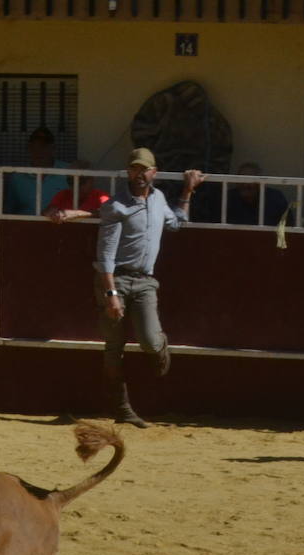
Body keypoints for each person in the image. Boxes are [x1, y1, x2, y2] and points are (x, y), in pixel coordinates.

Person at [95, 147, 206, 428]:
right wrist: (111, 295)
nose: (139, 174)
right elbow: (106, 255)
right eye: (134, 169)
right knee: (113, 347)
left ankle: (160, 348)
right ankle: (122, 409)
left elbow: (177, 223)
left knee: (150, 340)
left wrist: (188, 191)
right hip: (116, 279)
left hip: (145, 280)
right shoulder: (116, 206)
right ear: (128, 172)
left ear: (153, 173)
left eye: (144, 169)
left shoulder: (158, 199)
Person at [3, 127, 70, 216]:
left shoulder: (69, 172)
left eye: (44, 147)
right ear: (29, 148)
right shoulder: (17, 176)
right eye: (34, 147)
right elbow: (9, 211)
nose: (39, 151)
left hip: (61, 226)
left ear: (53, 148)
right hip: (25, 227)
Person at [223, 162, 289, 226]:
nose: (245, 184)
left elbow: (288, 226)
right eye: (242, 179)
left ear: (260, 183)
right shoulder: (228, 198)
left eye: (250, 180)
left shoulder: (276, 198)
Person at [45, 162, 110, 222]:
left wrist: (77, 213)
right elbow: (48, 210)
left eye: (81, 180)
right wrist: (51, 212)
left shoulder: (100, 196)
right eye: (71, 181)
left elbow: (110, 213)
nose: (76, 185)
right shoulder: (63, 194)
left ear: (91, 180)